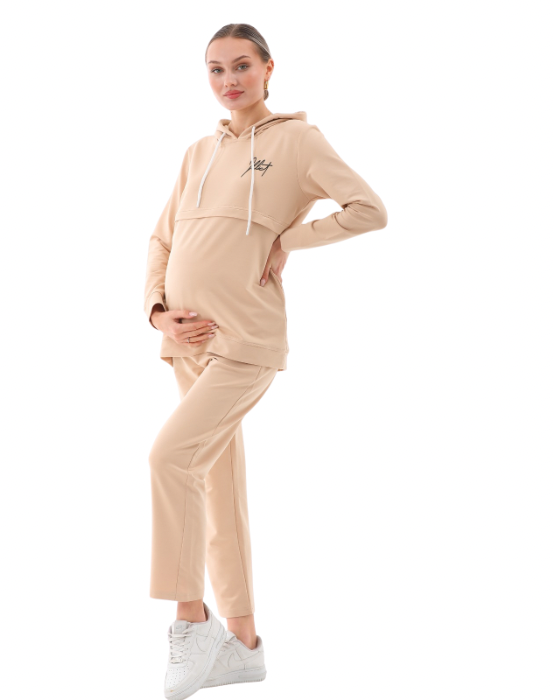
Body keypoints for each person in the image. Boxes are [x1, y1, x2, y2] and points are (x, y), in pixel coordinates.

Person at [143, 23, 388, 700]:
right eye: (216, 69)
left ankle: (191, 622)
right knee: (215, 485)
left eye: (242, 66)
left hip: (245, 338)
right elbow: (161, 240)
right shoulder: (198, 152)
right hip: (186, 343)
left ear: (268, 68)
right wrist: (157, 311)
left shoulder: (297, 141)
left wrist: (290, 240)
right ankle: (244, 647)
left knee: (169, 459)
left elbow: (369, 209)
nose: (229, 81)